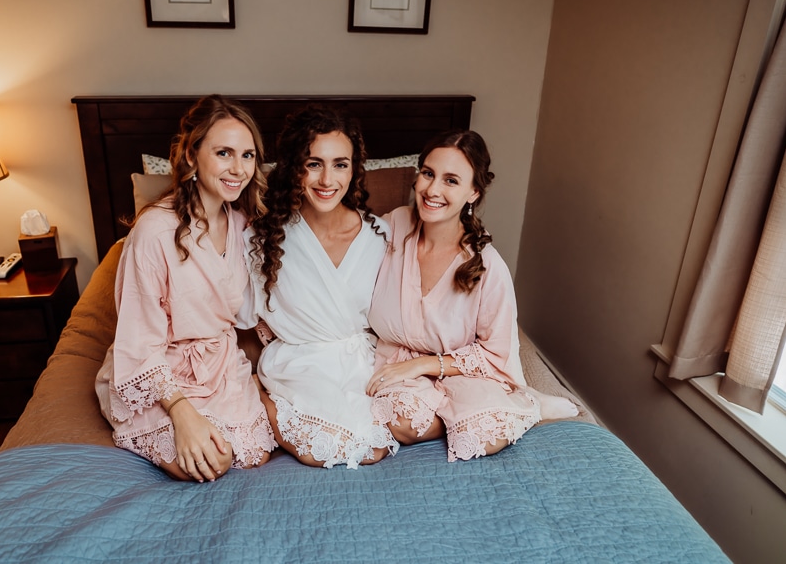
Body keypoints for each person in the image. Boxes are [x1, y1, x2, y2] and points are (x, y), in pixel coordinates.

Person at [95, 94, 277, 482]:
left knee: (255, 453)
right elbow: (139, 339)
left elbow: (253, 308)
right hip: (162, 369)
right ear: (192, 156)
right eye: (224, 153)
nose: (239, 168)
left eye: (247, 156)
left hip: (220, 364)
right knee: (209, 461)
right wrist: (180, 411)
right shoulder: (154, 232)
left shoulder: (243, 223)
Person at [365, 129, 577, 461]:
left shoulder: (487, 267)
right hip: (395, 358)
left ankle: (526, 406)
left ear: (473, 192)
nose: (432, 190)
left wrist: (424, 365)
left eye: (451, 180)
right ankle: (450, 413)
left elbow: (496, 353)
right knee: (404, 423)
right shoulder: (393, 227)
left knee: (485, 433)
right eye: (428, 174)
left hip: (457, 365)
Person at [243, 104, 399, 469]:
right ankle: (264, 400)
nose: (327, 180)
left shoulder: (381, 235)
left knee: (375, 449)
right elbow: (243, 320)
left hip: (363, 363)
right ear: (294, 166)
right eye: (314, 163)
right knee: (324, 451)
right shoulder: (264, 237)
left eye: (340, 164)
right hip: (299, 364)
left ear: (354, 169)